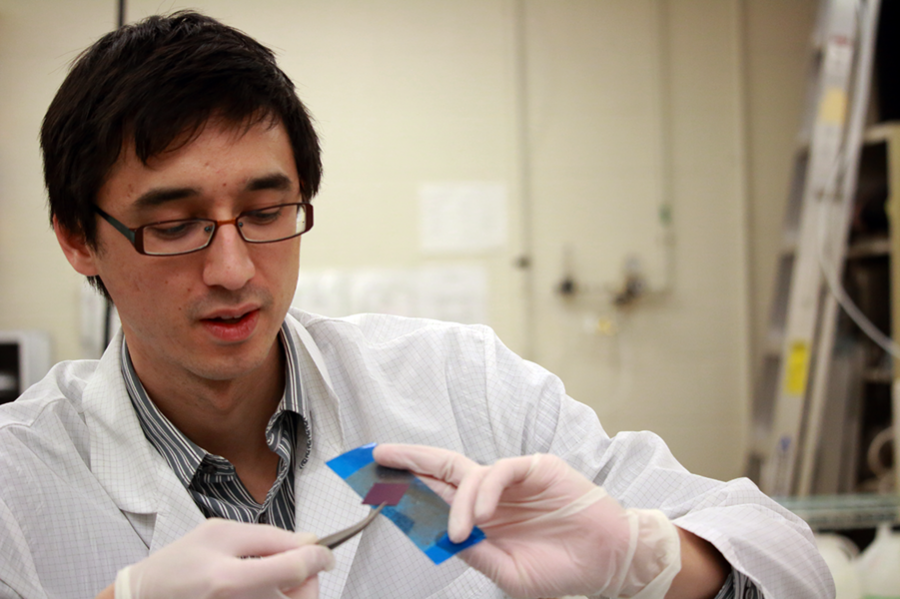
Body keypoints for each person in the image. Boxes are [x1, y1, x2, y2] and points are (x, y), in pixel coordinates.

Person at [0, 10, 832, 599]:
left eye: (266, 212)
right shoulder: (17, 480)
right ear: (79, 237)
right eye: (175, 225)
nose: (232, 267)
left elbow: (789, 559)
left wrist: (647, 561)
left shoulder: (457, 386)